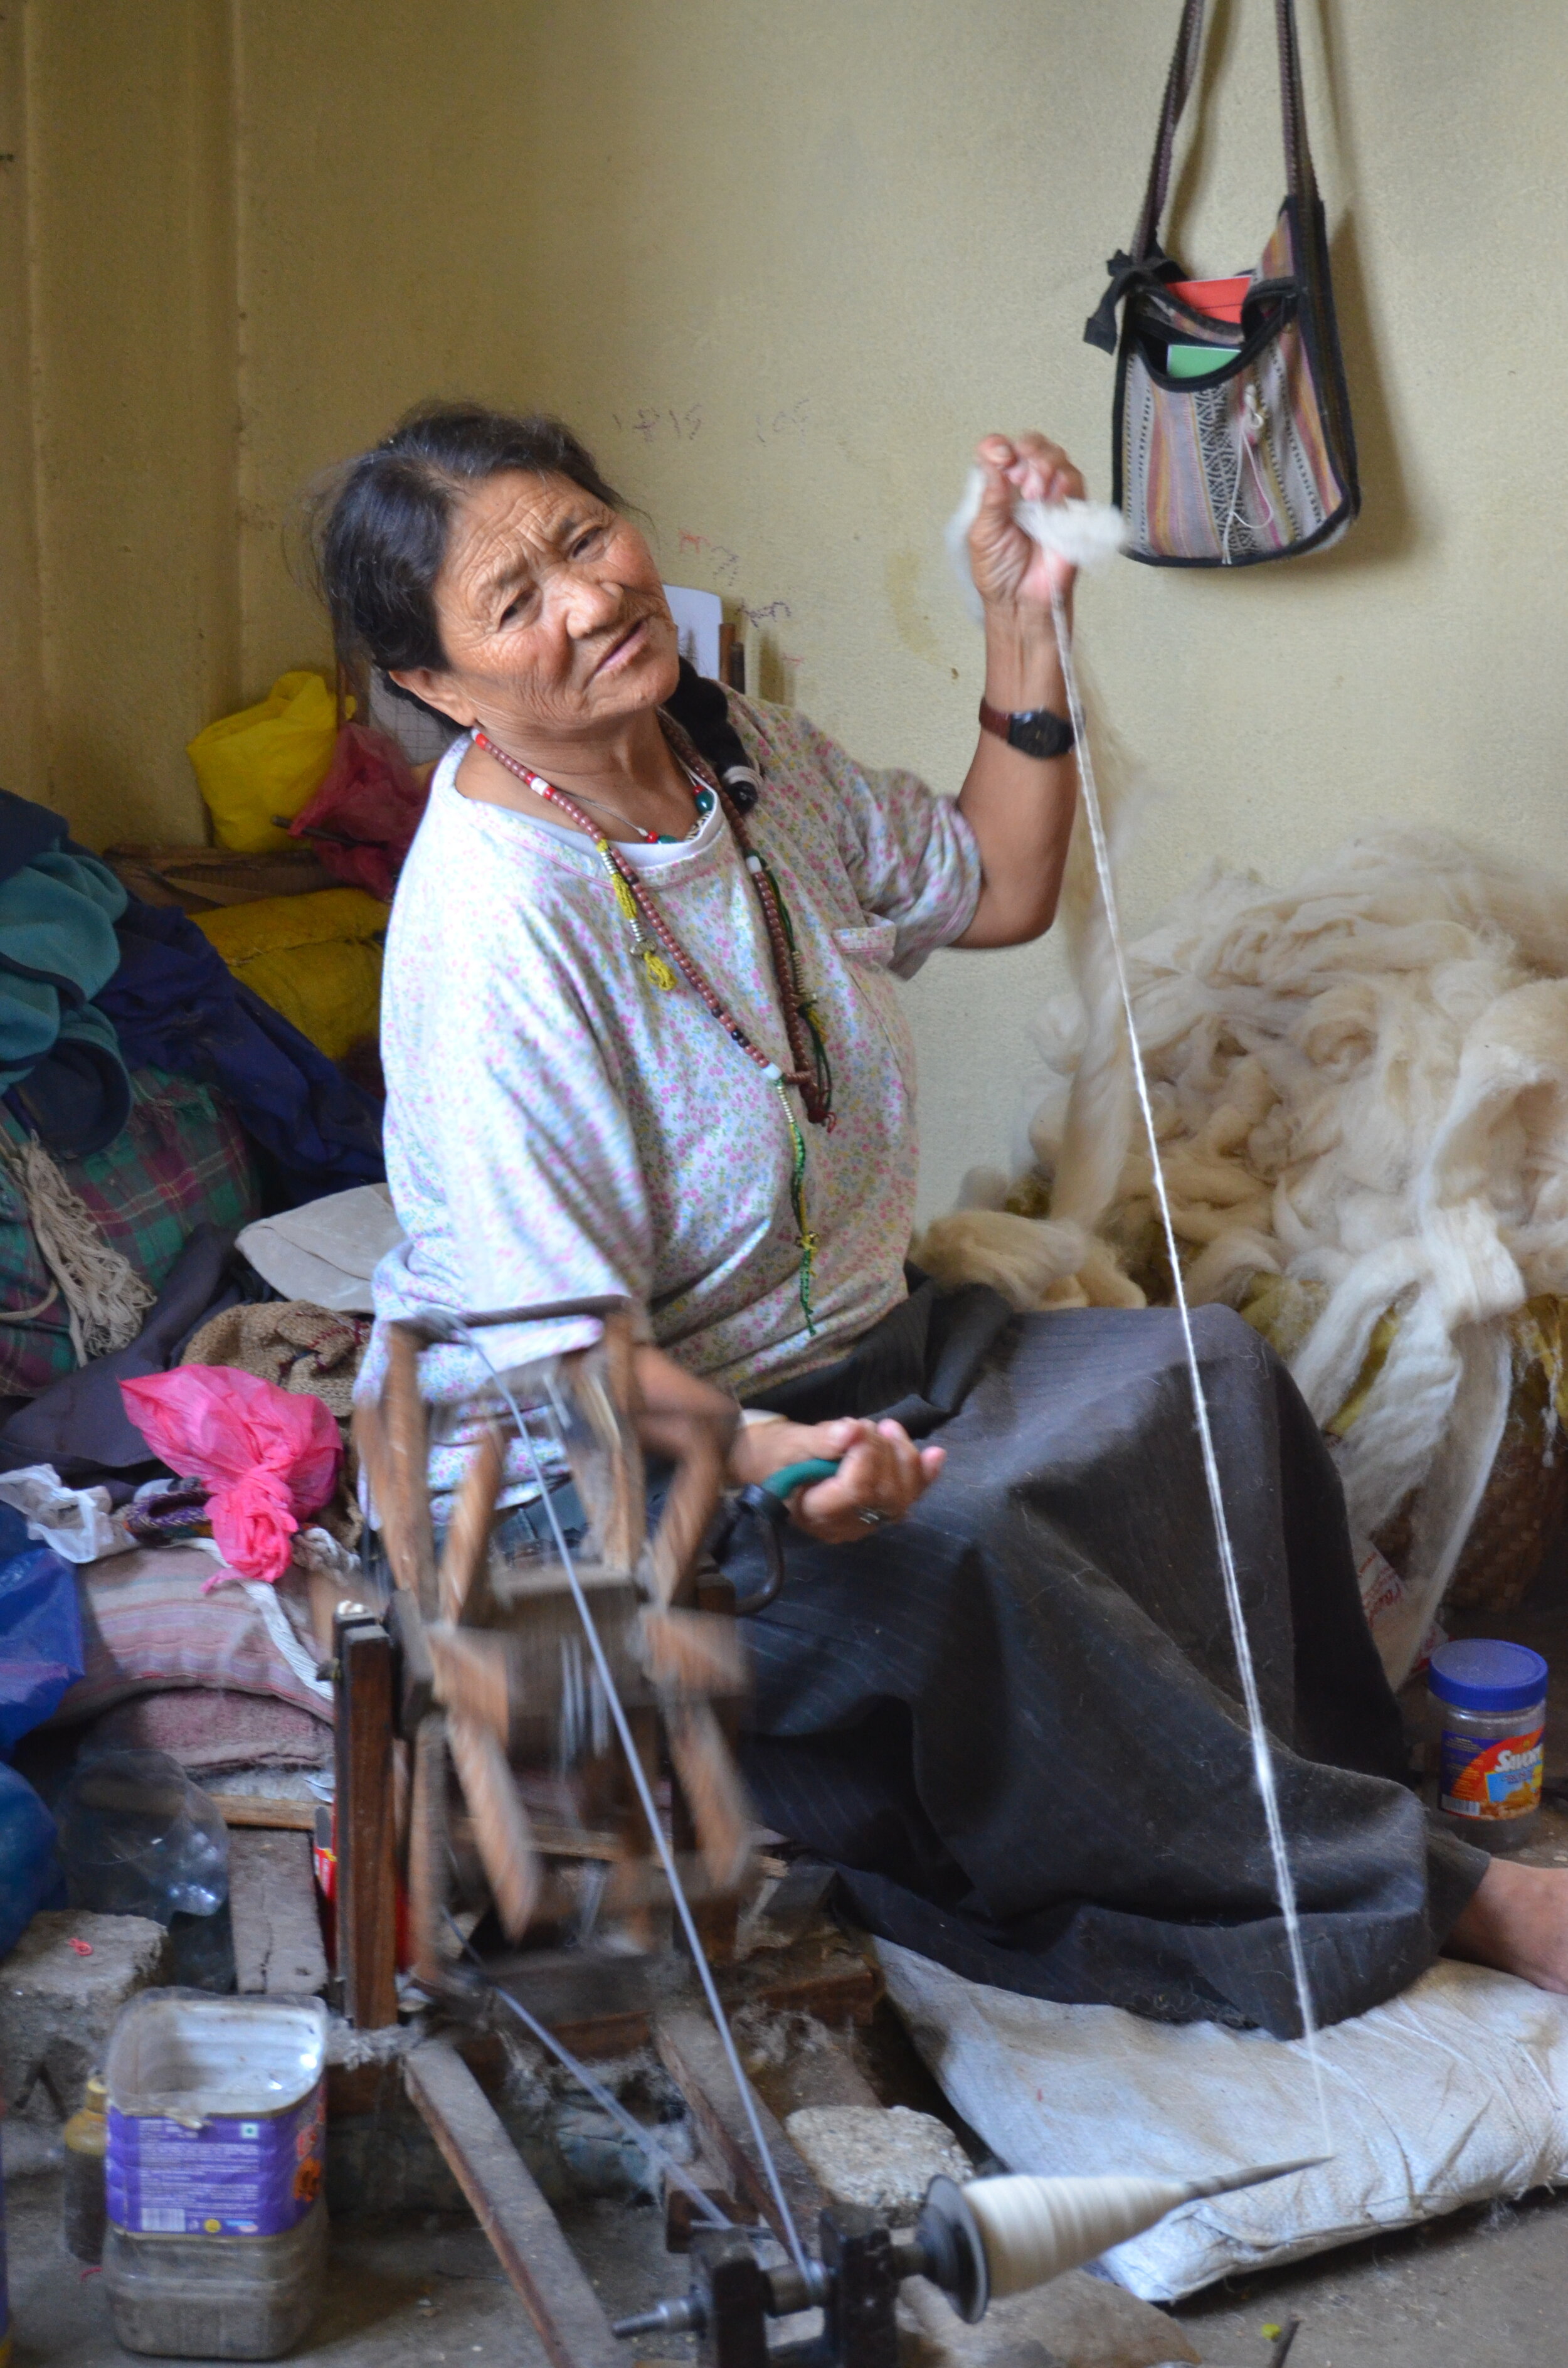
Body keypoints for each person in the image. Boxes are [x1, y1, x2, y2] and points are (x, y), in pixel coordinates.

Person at [317, 401, 1568, 2036]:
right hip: (587, 1489)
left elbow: (990, 883)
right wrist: (782, 1467)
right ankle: (1435, 1893)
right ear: (433, 684)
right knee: (964, 1547)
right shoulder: (496, 933)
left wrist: (1016, 617)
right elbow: (565, 1365)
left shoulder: (735, 763)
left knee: (1204, 1381)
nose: (584, 599)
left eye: (582, 539)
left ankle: (1327, 1805)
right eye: (512, 602)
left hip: (858, 1356)